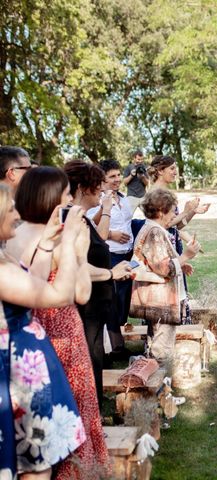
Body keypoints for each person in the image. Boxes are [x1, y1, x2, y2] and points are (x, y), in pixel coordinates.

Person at [7, 167, 110, 478]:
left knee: (31, 424)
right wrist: (76, 252)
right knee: (75, 413)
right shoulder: (61, 237)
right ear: (52, 199)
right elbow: (80, 293)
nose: (70, 201)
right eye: (66, 195)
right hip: (62, 336)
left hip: (21, 344)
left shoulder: (12, 237)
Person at [0, 184, 88, 478]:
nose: (17, 214)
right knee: (35, 466)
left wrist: (49, 242)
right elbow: (58, 295)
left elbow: (32, 286)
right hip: (15, 375)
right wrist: (72, 243)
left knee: (33, 461)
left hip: (27, 367)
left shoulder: (4, 258)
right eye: (11, 208)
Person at [63, 160, 132, 407]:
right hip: (87, 306)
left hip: (96, 305)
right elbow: (75, 267)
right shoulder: (72, 219)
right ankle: (93, 413)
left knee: (96, 357)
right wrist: (111, 274)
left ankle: (96, 411)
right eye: (97, 186)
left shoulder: (82, 217)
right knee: (90, 359)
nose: (102, 191)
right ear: (82, 188)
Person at [130, 189, 201, 363]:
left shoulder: (153, 228)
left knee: (156, 341)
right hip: (160, 300)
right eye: (172, 211)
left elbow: (155, 262)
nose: (174, 215)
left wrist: (181, 265)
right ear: (161, 211)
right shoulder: (154, 232)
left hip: (156, 298)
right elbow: (164, 269)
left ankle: (146, 370)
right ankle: (155, 381)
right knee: (161, 349)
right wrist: (186, 256)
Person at [147, 155, 210, 324]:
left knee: (178, 290)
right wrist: (185, 211)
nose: (176, 172)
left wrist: (193, 212)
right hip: (161, 246)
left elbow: (177, 226)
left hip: (174, 245)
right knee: (166, 291)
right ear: (160, 171)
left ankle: (179, 331)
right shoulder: (154, 193)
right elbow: (162, 225)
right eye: (172, 168)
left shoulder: (168, 192)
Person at [88, 159, 134, 357]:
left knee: (124, 300)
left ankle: (118, 338)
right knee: (112, 301)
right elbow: (92, 227)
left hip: (128, 254)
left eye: (118, 175)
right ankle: (115, 346)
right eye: (112, 177)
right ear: (102, 180)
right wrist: (112, 234)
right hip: (110, 255)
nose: (117, 180)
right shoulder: (96, 201)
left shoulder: (123, 199)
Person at [123, 149, 149, 214]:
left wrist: (143, 177)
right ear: (134, 158)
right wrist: (131, 175)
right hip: (131, 196)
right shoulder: (129, 167)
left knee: (149, 216)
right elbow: (125, 182)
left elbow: (147, 183)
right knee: (127, 216)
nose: (140, 161)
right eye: (138, 159)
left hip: (143, 196)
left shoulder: (144, 167)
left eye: (141, 159)